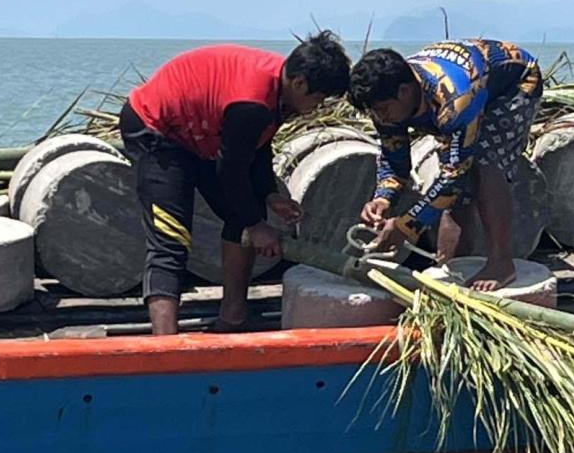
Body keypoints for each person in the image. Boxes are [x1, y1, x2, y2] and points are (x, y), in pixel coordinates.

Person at [119, 33, 351, 334]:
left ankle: (233, 317)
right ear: (299, 83)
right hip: (155, 128)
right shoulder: (252, 102)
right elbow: (230, 170)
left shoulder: (280, 88)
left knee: (242, 216)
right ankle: (165, 344)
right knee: (171, 238)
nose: (316, 108)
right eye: (317, 100)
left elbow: (257, 146)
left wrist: (269, 195)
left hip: (200, 133)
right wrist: (256, 226)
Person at [348, 39, 542, 291]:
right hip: (468, 89)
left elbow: (455, 175)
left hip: (515, 84)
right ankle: (450, 265)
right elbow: (395, 161)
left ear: (405, 91)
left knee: (484, 161)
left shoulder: (454, 103)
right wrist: (383, 198)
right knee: (455, 192)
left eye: (383, 109)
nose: (380, 117)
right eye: (374, 112)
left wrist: (406, 226)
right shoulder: (386, 104)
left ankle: (501, 262)